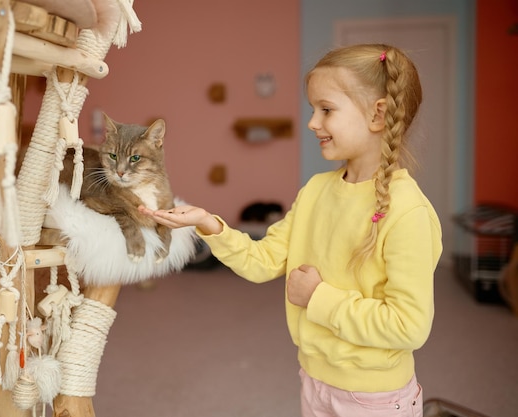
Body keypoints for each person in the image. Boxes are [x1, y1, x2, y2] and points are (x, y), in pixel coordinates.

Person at [139, 43, 442, 417]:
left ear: (378, 115)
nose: (313, 122)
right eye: (313, 109)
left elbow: (408, 326)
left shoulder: (408, 212)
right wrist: (208, 223)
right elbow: (262, 260)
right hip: (315, 380)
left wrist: (318, 297)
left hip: (374, 397)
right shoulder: (316, 190)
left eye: (326, 110)